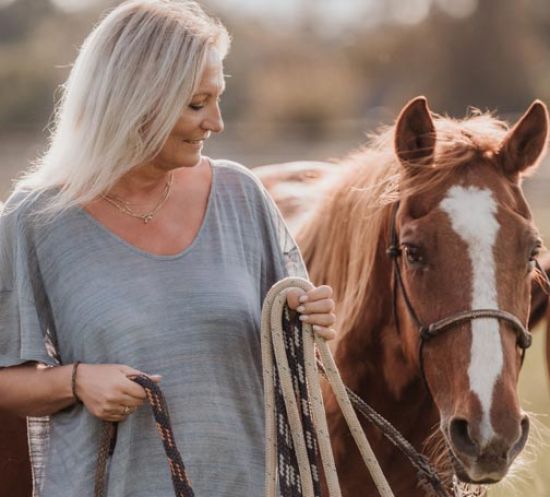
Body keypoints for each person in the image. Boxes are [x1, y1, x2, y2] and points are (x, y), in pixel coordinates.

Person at [0, 1, 337, 496]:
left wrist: (307, 320)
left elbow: (294, 361)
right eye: (197, 104)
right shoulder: (34, 219)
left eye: (217, 99)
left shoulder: (240, 197)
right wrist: (77, 381)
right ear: (133, 99)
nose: (216, 123)